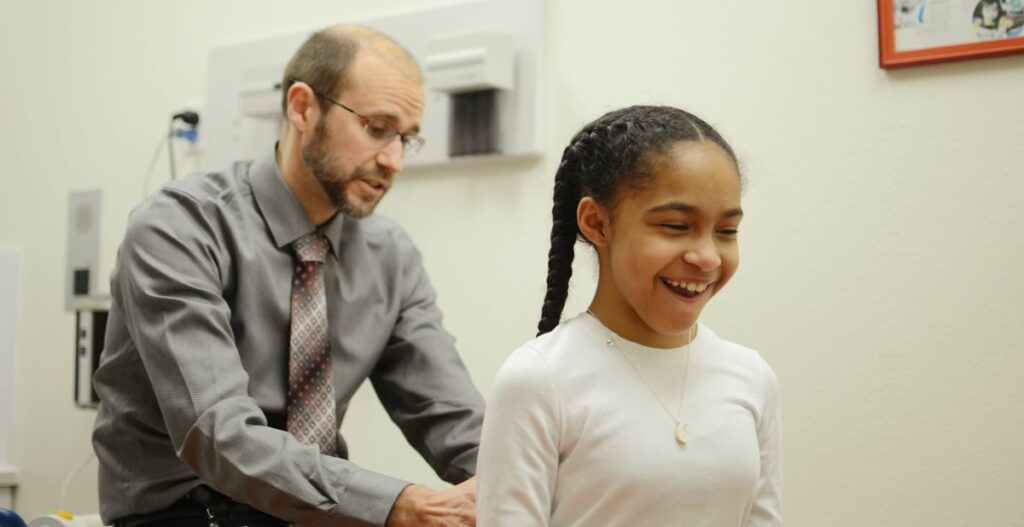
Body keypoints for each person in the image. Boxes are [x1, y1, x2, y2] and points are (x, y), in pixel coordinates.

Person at [92, 25, 484, 527]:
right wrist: (399, 503)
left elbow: (449, 414)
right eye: (377, 128)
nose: (393, 160)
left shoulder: (392, 256)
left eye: (406, 138)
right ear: (302, 108)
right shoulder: (179, 227)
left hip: (318, 515)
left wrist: (519, 480)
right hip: (188, 512)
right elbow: (217, 435)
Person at [476, 106, 782, 526]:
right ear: (597, 223)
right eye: (676, 226)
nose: (707, 256)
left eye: (726, 231)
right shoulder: (538, 379)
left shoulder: (751, 375)